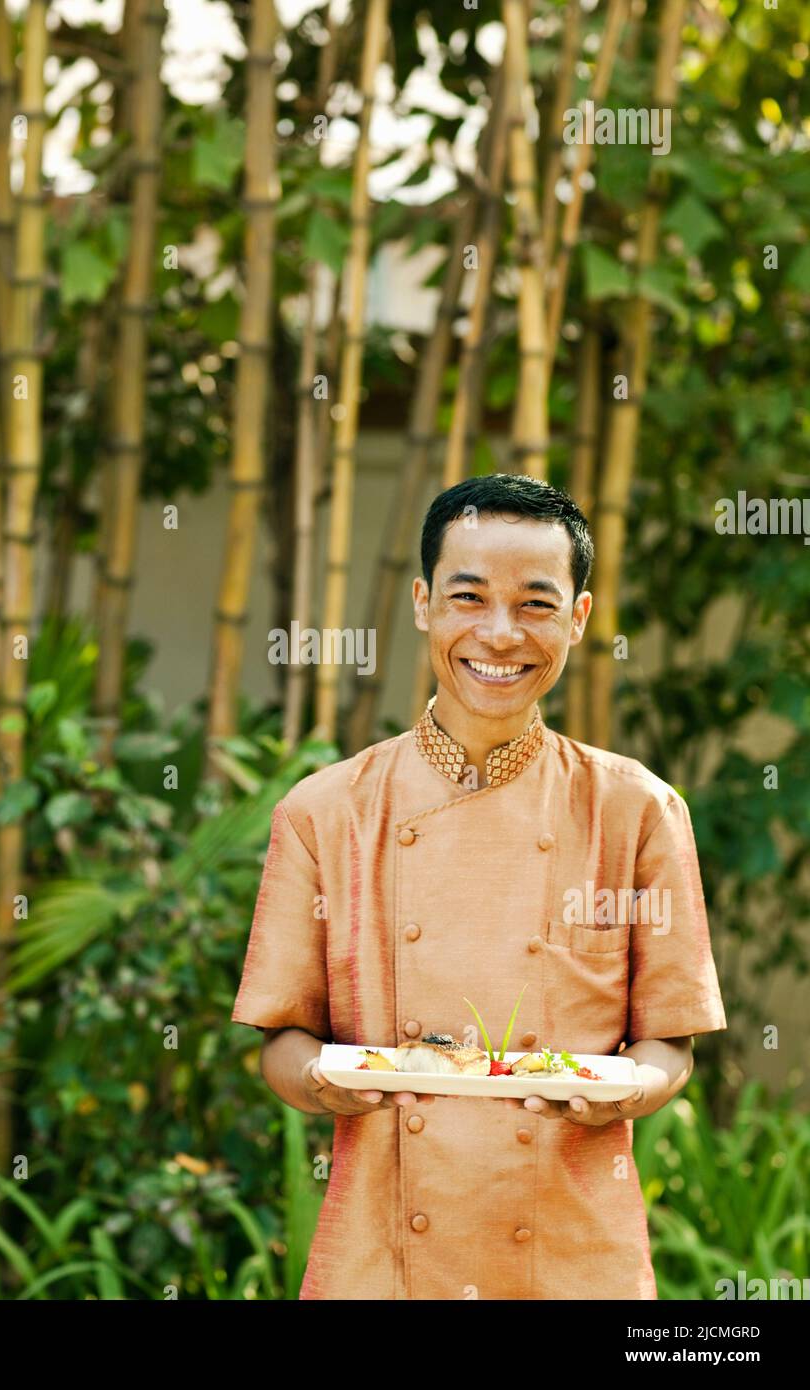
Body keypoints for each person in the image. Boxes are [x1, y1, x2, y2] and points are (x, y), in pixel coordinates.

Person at [231, 473, 727, 1300]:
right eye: (469, 597)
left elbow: (666, 1044)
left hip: (572, 1259)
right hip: (381, 1260)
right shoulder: (323, 812)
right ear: (424, 603)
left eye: (535, 604)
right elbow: (281, 1043)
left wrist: (629, 1089)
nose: (499, 635)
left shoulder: (637, 810)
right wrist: (322, 1080)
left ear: (578, 617)